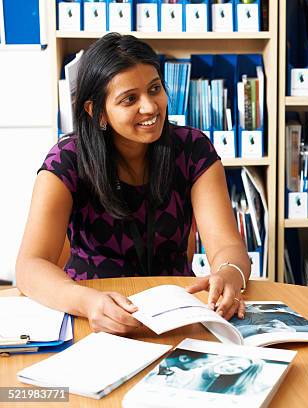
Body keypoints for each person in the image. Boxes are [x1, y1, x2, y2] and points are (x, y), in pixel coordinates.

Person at [15, 33, 250, 335]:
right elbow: (30, 265)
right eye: (130, 99)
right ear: (96, 111)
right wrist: (87, 302)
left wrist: (230, 273)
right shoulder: (68, 159)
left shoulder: (193, 149)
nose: (151, 107)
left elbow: (227, 245)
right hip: (94, 318)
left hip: (177, 317)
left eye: (155, 89)